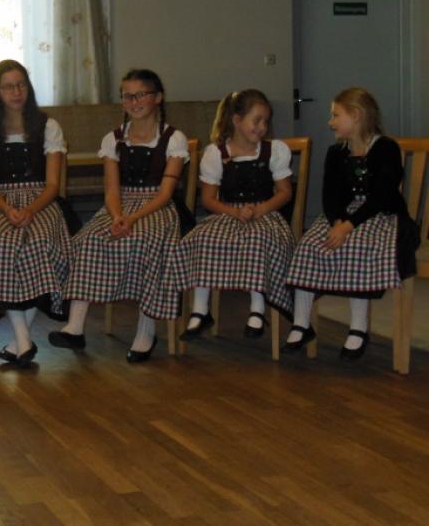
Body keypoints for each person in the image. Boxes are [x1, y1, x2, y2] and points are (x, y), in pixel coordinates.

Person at [49, 68, 189, 362]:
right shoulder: (113, 139)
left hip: (157, 206)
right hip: (121, 205)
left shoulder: (173, 138)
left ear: (157, 98)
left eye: (141, 95)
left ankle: (146, 331)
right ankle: (75, 326)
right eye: (127, 96)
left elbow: (165, 194)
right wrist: (117, 216)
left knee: (149, 240)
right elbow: (112, 190)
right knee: (89, 239)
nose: (133, 102)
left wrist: (133, 219)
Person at [285, 87, 416, 359]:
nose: (330, 122)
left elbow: (382, 195)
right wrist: (337, 222)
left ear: (356, 115)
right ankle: (301, 322)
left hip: (380, 215)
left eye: (336, 115)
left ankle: (358, 328)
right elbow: (330, 195)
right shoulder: (336, 153)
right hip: (344, 216)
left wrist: (348, 226)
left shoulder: (386, 148)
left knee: (359, 246)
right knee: (309, 245)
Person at [0, 59, 75, 368]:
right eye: (8, 87)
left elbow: (53, 185)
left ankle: (20, 341)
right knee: (1, 242)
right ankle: (23, 337)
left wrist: (29, 209)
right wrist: (8, 209)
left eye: (21, 85)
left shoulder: (48, 126)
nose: (16, 92)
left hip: (41, 200)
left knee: (39, 241)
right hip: (0, 202)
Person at [174, 89, 295, 340]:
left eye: (266, 121)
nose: (262, 127)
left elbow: (285, 192)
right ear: (237, 120)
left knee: (257, 239)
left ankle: (257, 307)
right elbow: (208, 200)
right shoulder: (217, 154)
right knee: (203, 238)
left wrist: (261, 209)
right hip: (229, 213)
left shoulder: (273, 150)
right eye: (256, 120)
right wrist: (235, 211)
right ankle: (200, 310)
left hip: (265, 214)